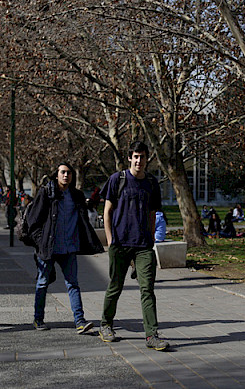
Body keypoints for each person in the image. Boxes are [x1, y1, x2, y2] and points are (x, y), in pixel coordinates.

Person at [98, 141, 169, 351]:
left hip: (143, 246)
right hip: (120, 243)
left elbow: (152, 214)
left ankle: (151, 335)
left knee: (147, 289)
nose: (139, 161)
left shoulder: (151, 183)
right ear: (130, 158)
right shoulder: (117, 179)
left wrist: (151, 239)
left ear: (147, 159)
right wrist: (110, 240)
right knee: (115, 286)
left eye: (143, 157)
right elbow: (107, 211)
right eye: (136, 156)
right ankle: (106, 324)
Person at [26, 162, 103, 333]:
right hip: (49, 248)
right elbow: (33, 220)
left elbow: (83, 222)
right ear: (56, 175)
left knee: (73, 284)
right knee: (42, 283)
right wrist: (41, 242)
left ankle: (79, 320)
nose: (66, 176)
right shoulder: (47, 193)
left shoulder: (76, 195)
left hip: (69, 248)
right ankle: (38, 319)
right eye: (62, 172)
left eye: (68, 173)